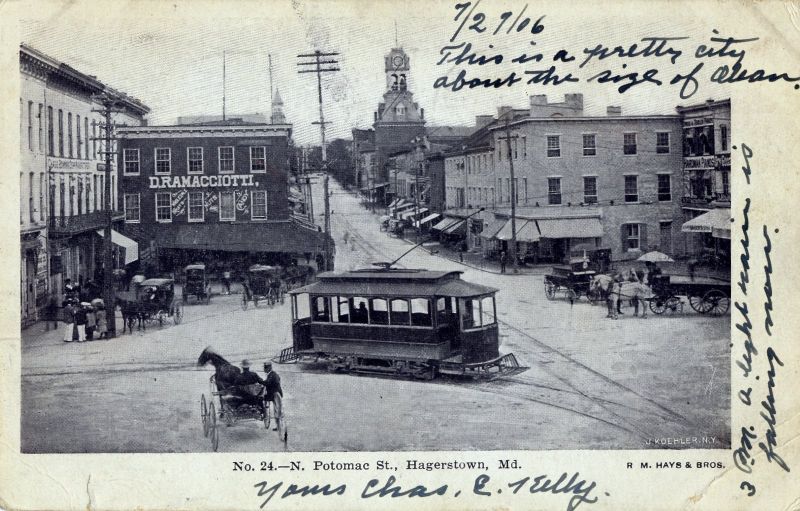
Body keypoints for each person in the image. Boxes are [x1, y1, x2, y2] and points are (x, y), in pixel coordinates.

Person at [263, 361, 283, 430]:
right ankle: (278, 426)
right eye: (264, 367)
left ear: (269, 368)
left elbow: (268, 383)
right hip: (275, 393)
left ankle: (279, 427)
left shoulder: (272, 375)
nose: (264, 369)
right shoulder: (272, 374)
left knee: (277, 410)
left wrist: (261, 381)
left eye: (265, 367)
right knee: (277, 409)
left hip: (276, 393)